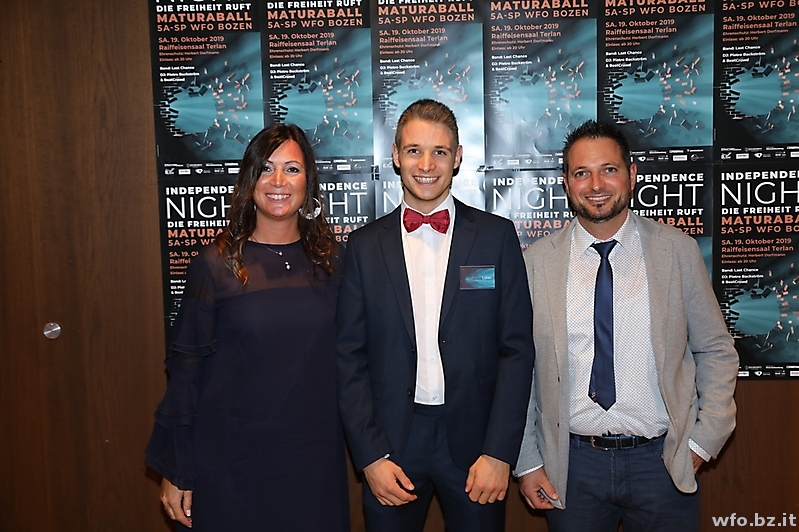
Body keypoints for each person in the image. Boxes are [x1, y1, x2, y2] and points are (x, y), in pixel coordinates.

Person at [515, 120, 738, 531]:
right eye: (582, 173)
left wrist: (704, 440)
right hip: (572, 467)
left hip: (662, 463)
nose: (596, 185)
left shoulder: (677, 251)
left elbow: (716, 350)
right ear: (566, 182)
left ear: (632, 174)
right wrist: (528, 461)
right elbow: (519, 370)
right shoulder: (536, 263)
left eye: (609, 169)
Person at [336, 99, 535, 532]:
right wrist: (370, 455)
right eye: (414, 150)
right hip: (392, 446)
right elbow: (349, 357)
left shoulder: (496, 237)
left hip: (476, 449)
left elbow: (517, 351)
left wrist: (499, 452)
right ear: (395, 155)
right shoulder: (364, 248)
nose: (426, 165)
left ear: (457, 157)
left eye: (439, 152)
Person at [145, 124, 349, 531]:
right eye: (266, 168)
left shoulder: (335, 263)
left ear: (308, 182)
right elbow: (186, 373)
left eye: (292, 169)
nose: (278, 181)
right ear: (249, 179)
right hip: (231, 463)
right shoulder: (215, 265)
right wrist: (177, 467)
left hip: (313, 461)